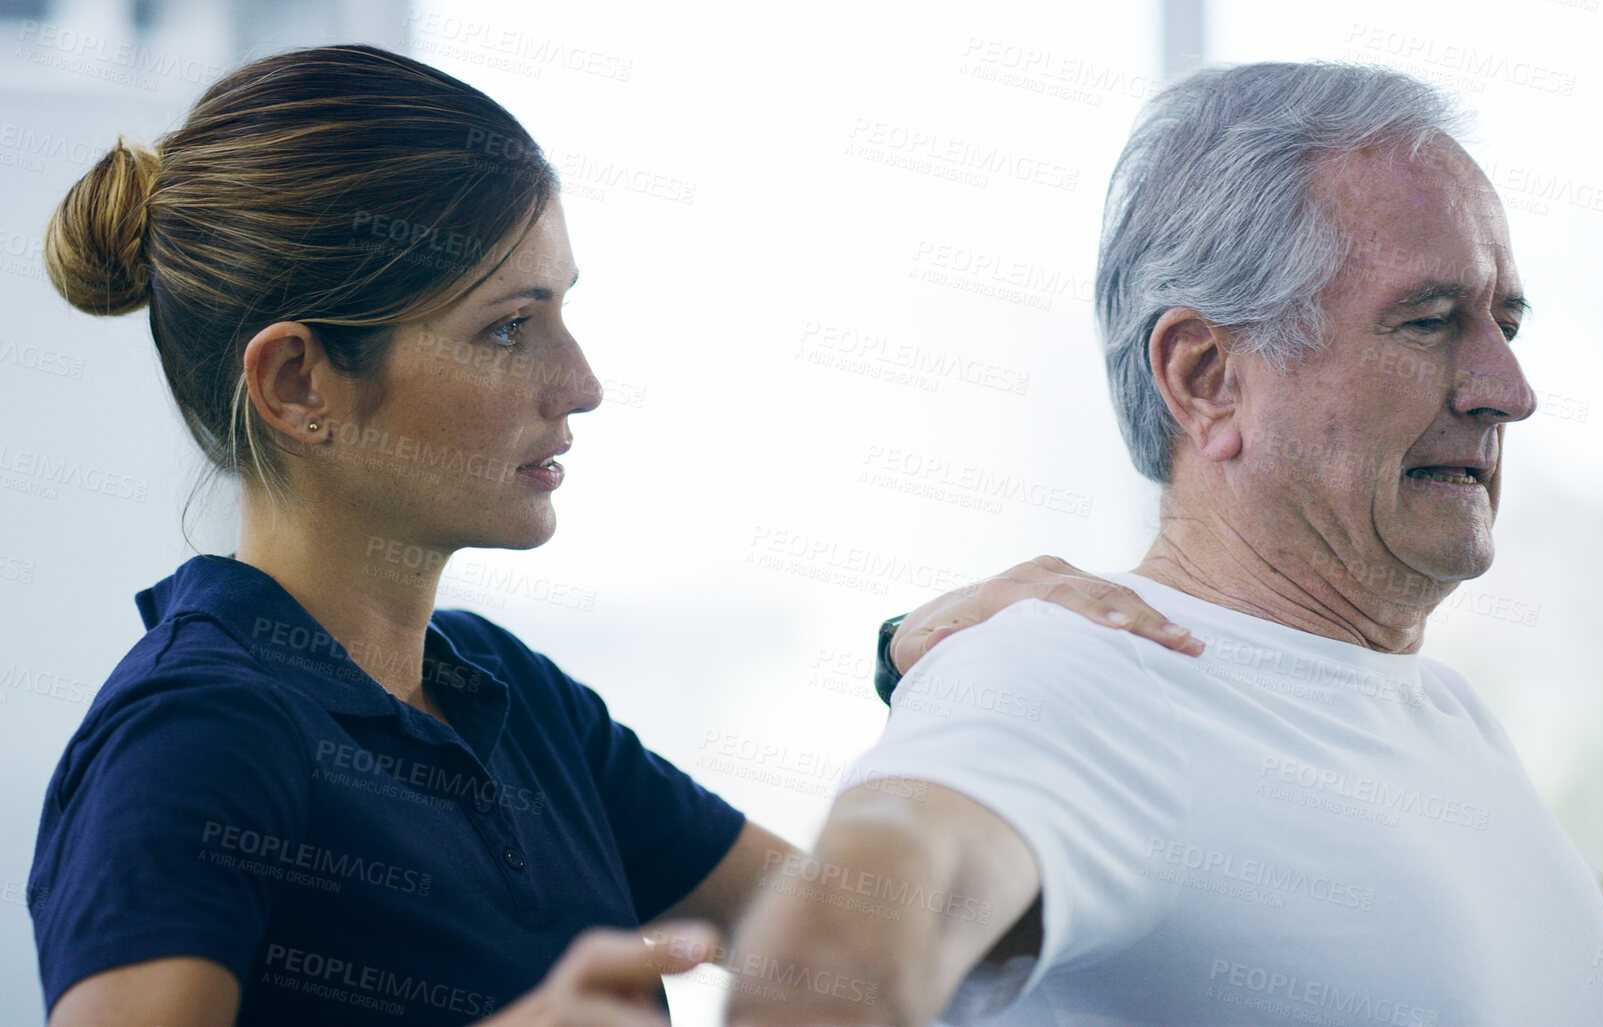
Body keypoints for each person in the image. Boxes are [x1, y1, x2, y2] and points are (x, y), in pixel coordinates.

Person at [27, 44, 1201, 1027]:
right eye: (506, 329)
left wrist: (945, 675)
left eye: (563, 311)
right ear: (297, 382)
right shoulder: (195, 737)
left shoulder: (510, 698)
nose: (579, 384)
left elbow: (840, 944)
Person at [725, 63, 1603, 1027]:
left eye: (1506, 322)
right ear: (1205, 377)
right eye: (1429, 321)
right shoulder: (1073, 669)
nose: (1507, 390)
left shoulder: (1434, 712)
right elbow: (824, 958)